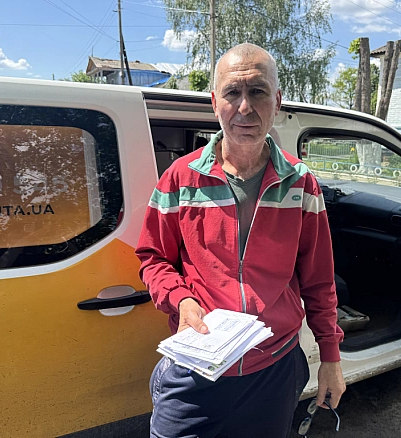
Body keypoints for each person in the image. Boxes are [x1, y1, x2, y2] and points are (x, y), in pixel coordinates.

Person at [136, 43, 345, 438]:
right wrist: (181, 300)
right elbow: (153, 258)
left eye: (258, 91)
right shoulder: (180, 178)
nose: (244, 107)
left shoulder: (301, 183)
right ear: (215, 102)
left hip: (275, 369)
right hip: (196, 368)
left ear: (277, 101)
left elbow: (319, 280)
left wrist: (330, 358)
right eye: (232, 92)